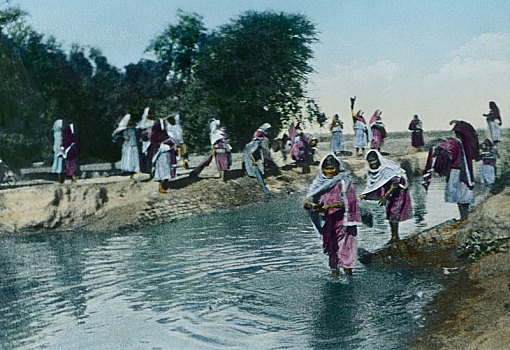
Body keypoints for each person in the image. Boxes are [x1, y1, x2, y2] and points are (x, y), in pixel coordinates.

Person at [303, 154, 361, 276]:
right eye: (327, 168)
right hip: (328, 220)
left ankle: (348, 273)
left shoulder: (343, 181)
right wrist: (310, 205)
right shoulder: (319, 182)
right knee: (331, 246)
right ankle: (334, 271)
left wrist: (331, 206)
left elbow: (350, 202)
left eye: (332, 168)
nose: (329, 171)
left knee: (346, 247)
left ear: (337, 168)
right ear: (322, 169)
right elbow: (310, 199)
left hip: (343, 220)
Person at [422, 120, 479, 221]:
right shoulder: (466, 144)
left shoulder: (455, 143)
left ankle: (463, 217)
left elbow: (447, 151)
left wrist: (438, 150)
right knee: (463, 194)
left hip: (456, 172)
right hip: (463, 172)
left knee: (460, 194)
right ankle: (464, 216)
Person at [359, 150, 412, 244]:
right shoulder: (374, 172)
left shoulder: (387, 169)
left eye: (374, 160)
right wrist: (364, 195)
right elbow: (373, 185)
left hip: (398, 193)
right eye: (370, 161)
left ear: (378, 159)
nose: (372, 163)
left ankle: (395, 236)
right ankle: (395, 236)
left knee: (393, 214)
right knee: (390, 214)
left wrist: (385, 195)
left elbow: (395, 183)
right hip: (389, 194)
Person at [243, 125, 274, 195]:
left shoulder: (256, 143)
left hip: (254, 159)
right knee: (258, 174)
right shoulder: (256, 144)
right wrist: (254, 163)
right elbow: (251, 154)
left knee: (260, 172)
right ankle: (265, 190)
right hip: (252, 161)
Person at [150, 118, 177, 194]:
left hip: (167, 153)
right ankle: (161, 187)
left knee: (166, 169)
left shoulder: (164, 133)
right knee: (162, 170)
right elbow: (155, 143)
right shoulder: (155, 134)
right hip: (161, 154)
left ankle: (164, 185)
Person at [113, 114, 139, 182]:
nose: (130, 122)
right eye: (129, 121)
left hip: (134, 146)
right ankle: (131, 176)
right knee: (129, 161)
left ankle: (133, 176)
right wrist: (123, 138)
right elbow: (115, 137)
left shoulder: (134, 128)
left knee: (134, 161)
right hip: (127, 147)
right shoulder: (123, 129)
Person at [136, 107, 155, 175]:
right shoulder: (141, 123)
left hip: (151, 142)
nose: (152, 115)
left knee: (150, 156)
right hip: (143, 142)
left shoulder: (153, 122)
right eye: (150, 114)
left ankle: (149, 170)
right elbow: (139, 133)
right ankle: (144, 170)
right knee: (143, 156)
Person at [51, 119, 66, 184]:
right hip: (59, 151)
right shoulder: (58, 134)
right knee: (60, 165)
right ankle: (60, 178)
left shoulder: (57, 133)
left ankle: (60, 178)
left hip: (59, 151)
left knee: (60, 164)